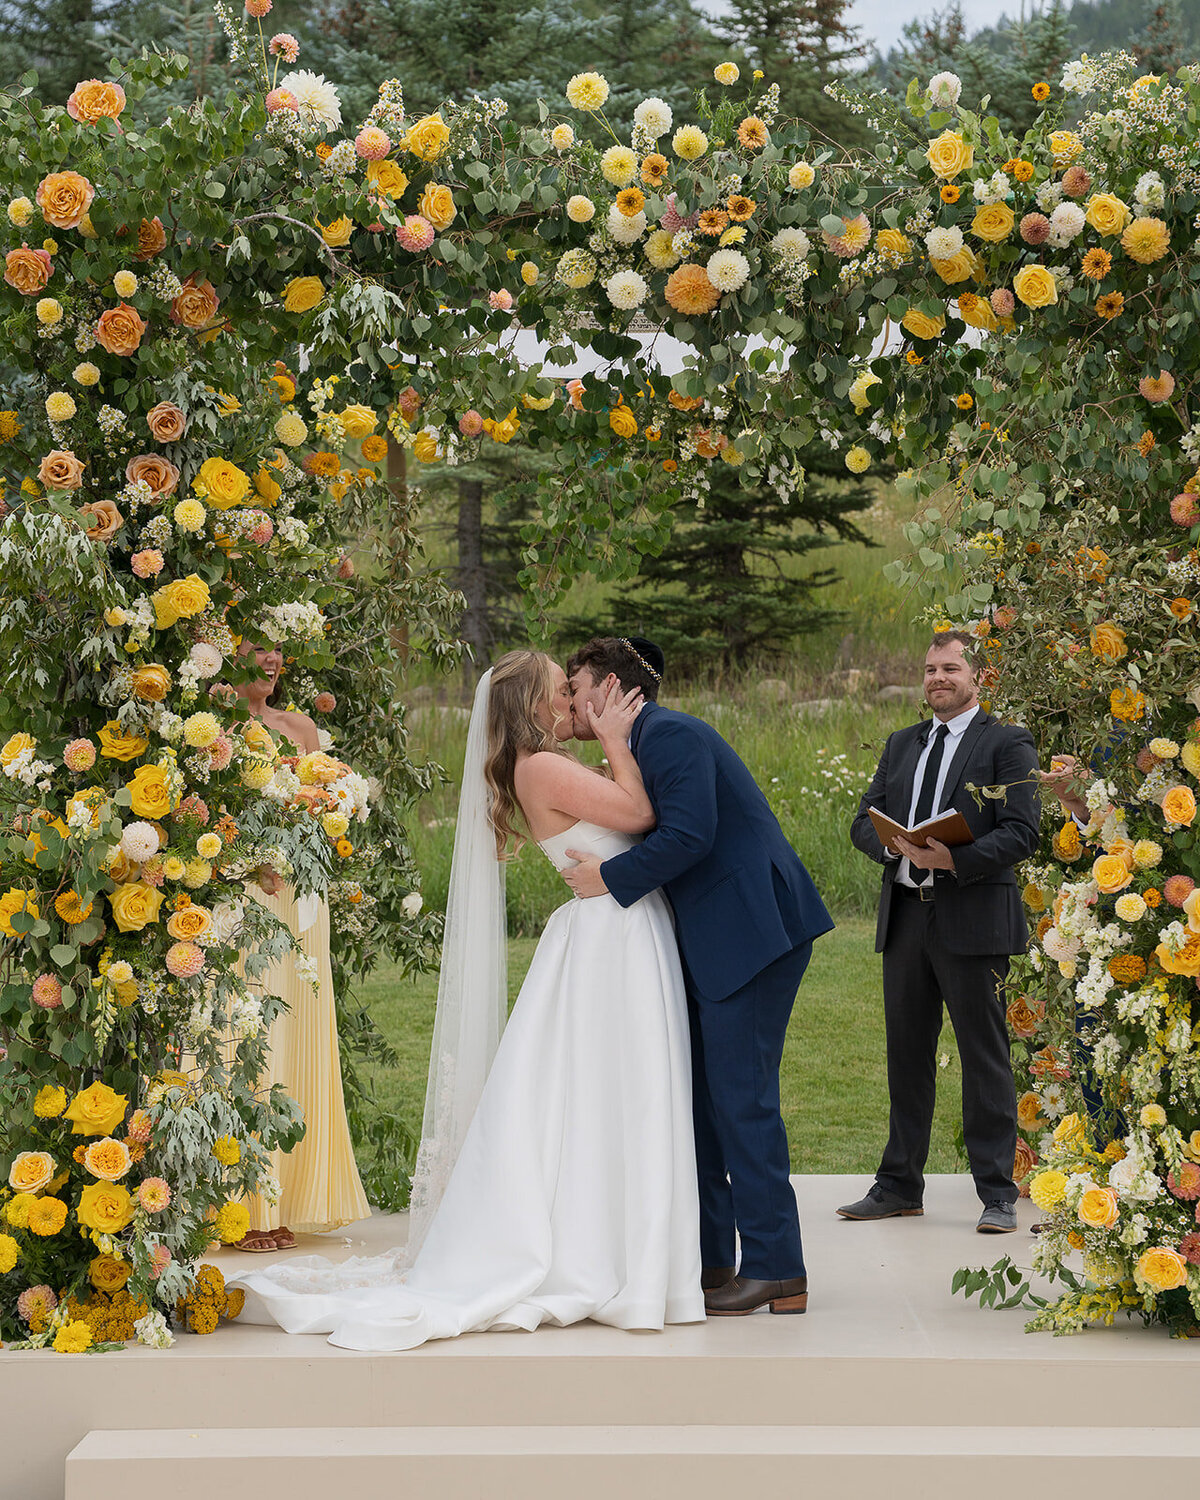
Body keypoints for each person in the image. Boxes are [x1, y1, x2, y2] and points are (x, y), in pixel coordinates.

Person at [226, 649, 705, 1347]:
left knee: (607, 1096)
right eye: (559, 692)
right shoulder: (541, 766)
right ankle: (605, 1250)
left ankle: (624, 1241)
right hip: (610, 940)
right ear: (535, 706)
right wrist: (613, 741)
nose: (571, 701)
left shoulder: (541, 764)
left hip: (619, 933)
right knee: (611, 1092)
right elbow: (637, 812)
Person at [562, 636, 834, 1316]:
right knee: (703, 1104)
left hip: (750, 933)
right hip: (714, 939)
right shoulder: (640, 744)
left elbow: (690, 835)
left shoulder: (672, 735)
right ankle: (712, 1260)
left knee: (742, 1100)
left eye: (575, 688)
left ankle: (776, 1268)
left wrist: (607, 880)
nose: (568, 701)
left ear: (612, 692)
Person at [843, 630, 1040, 1233]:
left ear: (978, 677)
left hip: (973, 919)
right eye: (930, 669)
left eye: (950, 668)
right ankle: (900, 1184)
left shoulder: (1007, 742)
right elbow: (861, 820)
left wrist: (953, 858)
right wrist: (890, 844)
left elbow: (1022, 831)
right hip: (905, 916)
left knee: (984, 1058)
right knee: (906, 1055)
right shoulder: (903, 743)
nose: (937, 679)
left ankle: (997, 1194)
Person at [227, 639, 370, 1251]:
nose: (272, 661)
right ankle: (240, 1207)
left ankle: (290, 1198)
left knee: (300, 1034)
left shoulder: (301, 727)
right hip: (242, 895)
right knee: (247, 1033)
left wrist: (333, 808)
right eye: (258, 649)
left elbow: (323, 806)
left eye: (279, 652)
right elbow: (207, 814)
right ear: (229, 657)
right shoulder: (216, 730)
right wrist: (249, 857)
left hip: (300, 901)